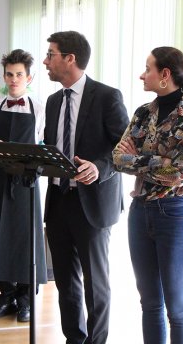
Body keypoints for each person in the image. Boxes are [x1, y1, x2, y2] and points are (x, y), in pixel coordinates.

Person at [43, 31, 129, 344]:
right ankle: (73, 339)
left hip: (93, 202)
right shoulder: (53, 101)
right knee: (65, 283)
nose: (45, 61)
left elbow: (125, 148)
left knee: (96, 285)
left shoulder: (107, 96)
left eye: (50, 55)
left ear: (70, 58)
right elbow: (53, 146)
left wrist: (98, 167)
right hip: (58, 200)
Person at [113, 46, 183, 344]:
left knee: (178, 307)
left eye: (147, 68)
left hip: (175, 212)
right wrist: (156, 163)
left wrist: (137, 159)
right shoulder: (143, 112)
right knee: (149, 303)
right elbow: (117, 158)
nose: (142, 75)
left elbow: (178, 173)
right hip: (140, 211)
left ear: (165, 74)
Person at [0, 49, 47, 323]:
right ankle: (6, 296)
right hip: (0, 179)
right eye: (9, 74)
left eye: (19, 74)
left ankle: (26, 299)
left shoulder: (39, 109)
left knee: (26, 239)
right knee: (0, 236)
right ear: (4, 76)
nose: (14, 79)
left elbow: (42, 143)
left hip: (27, 182)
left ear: (29, 78)